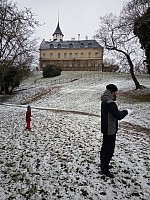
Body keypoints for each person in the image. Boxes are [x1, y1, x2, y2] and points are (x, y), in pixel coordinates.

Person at [100, 84, 130, 178]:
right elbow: (118, 116)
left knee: (105, 147)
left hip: (105, 127)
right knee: (109, 149)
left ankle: (103, 164)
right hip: (110, 129)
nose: (116, 94)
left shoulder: (104, 100)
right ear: (112, 92)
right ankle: (104, 169)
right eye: (116, 92)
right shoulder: (110, 103)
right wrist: (126, 112)